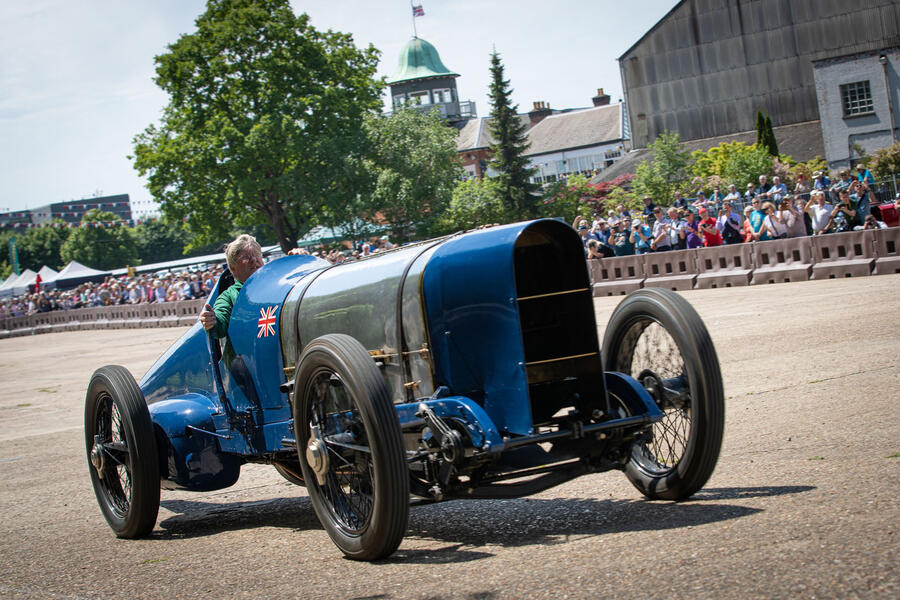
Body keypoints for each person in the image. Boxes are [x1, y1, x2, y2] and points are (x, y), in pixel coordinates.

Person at [200, 234, 264, 341]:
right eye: (246, 257)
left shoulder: (278, 283)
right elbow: (220, 322)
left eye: (257, 254)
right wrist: (212, 321)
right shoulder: (229, 296)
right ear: (232, 268)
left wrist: (301, 258)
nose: (254, 260)